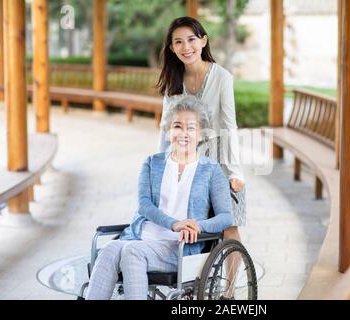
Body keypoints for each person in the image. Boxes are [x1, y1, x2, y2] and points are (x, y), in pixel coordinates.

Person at [85, 97, 234, 300]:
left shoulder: (211, 170)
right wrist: (174, 224)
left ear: (200, 134)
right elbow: (144, 205)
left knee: (132, 253)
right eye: (177, 126)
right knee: (110, 248)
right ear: (168, 130)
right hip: (140, 237)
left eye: (191, 128)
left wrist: (198, 226)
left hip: (178, 247)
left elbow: (226, 217)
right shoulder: (152, 163)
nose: (183, 133)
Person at [157, 16, 246, 245]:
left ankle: (233, 281)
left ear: (203, 41)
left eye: (191, 39)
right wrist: (161, 167)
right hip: (187, 160)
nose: (186, 47)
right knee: (191, 228)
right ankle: (200, 280)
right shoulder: (172, 81)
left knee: (229, 228)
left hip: (219, 159)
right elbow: (166, 129)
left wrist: (235, 172)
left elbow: (229, 125)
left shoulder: (222, 77)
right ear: (171, 48)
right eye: (178, 42)